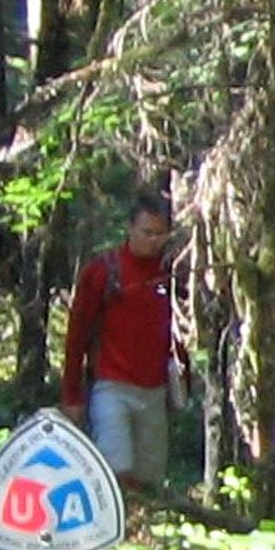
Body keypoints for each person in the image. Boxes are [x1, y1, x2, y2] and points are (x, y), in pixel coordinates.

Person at [59, 189, 179, 493]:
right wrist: (71, 395)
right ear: (130, 228)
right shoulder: (103, 272)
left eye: (161, 234)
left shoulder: (173, 275)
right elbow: (77, 336)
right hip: (112, 386)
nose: (154, 240)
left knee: (149, 481)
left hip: (155, 391)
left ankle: (142, 534)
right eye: (147, 232)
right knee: (115, 472)